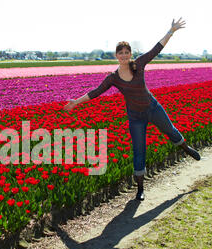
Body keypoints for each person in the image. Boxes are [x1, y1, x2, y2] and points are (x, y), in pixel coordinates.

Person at [63, 18, 200, 201]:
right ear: (116, 56)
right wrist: (75, 102)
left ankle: (186, 148)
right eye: (121, 53)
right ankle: (140, 189)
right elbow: (96, 92)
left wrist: (171, 31)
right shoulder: (113, 78)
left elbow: (156, 49)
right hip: (136, 117)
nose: (124, 55)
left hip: (152, 107)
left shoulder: (139, 64)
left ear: (130, 54)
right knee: (139, 150)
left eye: (127, 52)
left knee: (171, 131)